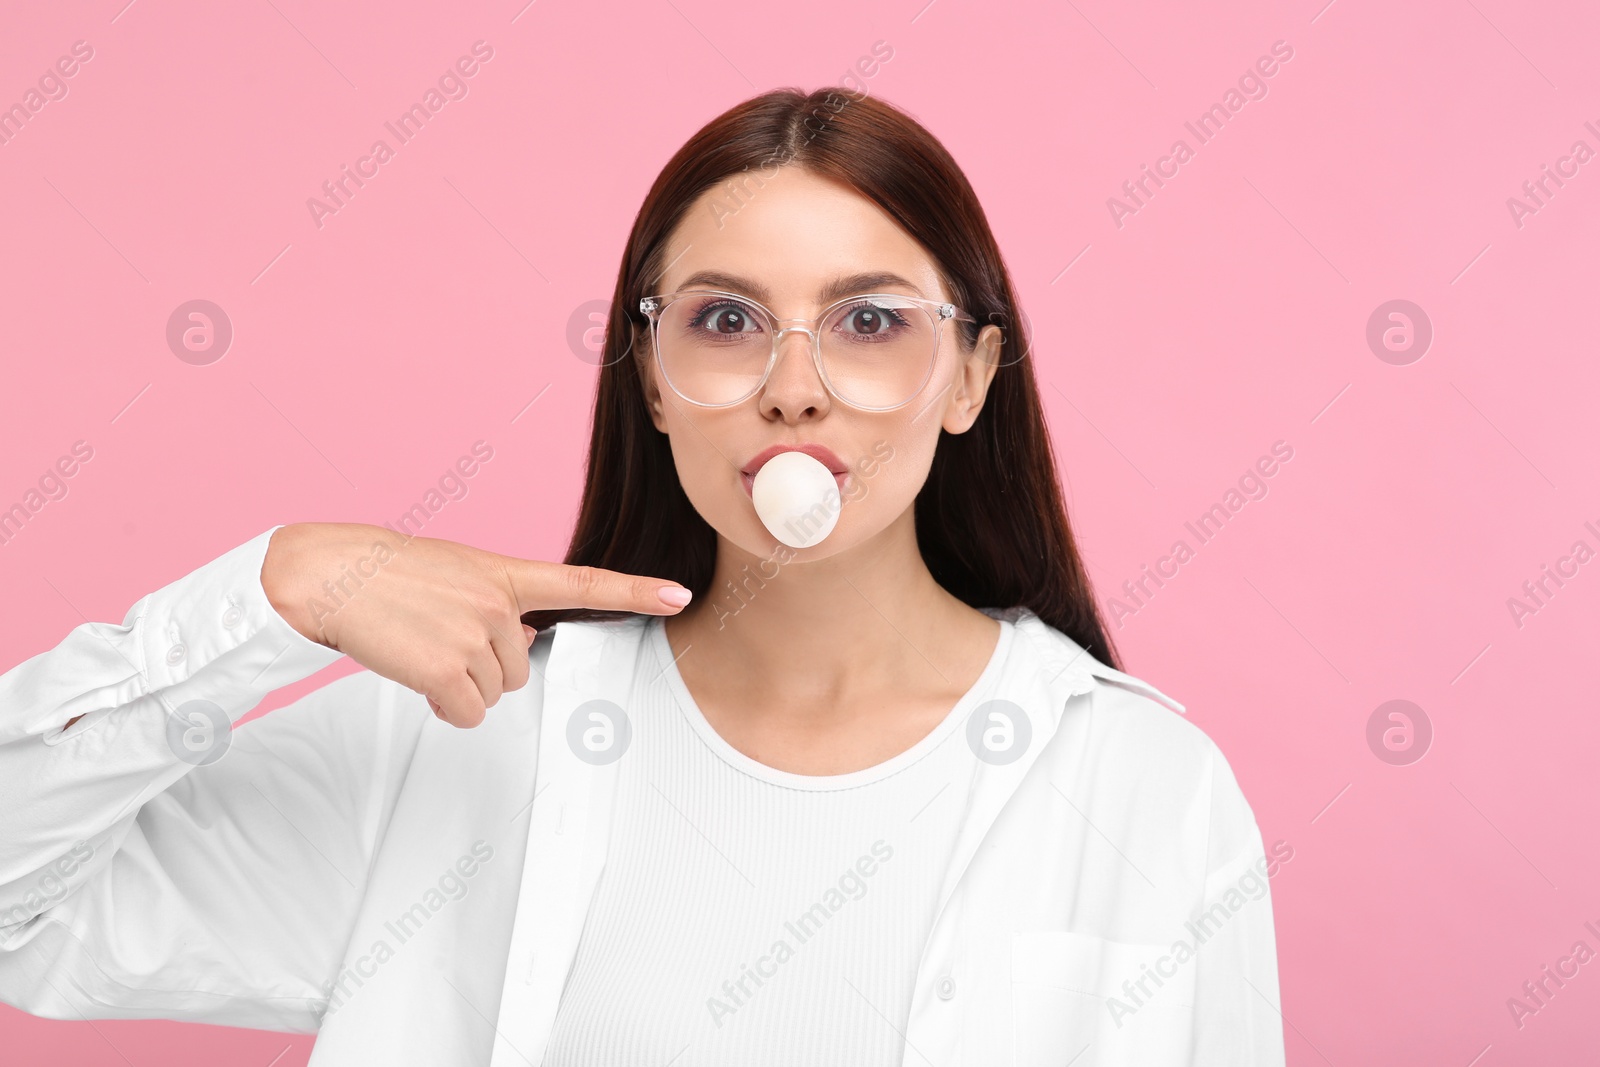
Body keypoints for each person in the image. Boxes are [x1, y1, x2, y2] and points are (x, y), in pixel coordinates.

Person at [0, 88, 1285, 1066]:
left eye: (870, 321)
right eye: (725, 320)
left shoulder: (1146, 789)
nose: (792, 386)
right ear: (654, 381)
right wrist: (282, 586)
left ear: (969, 377)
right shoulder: (460, 734)